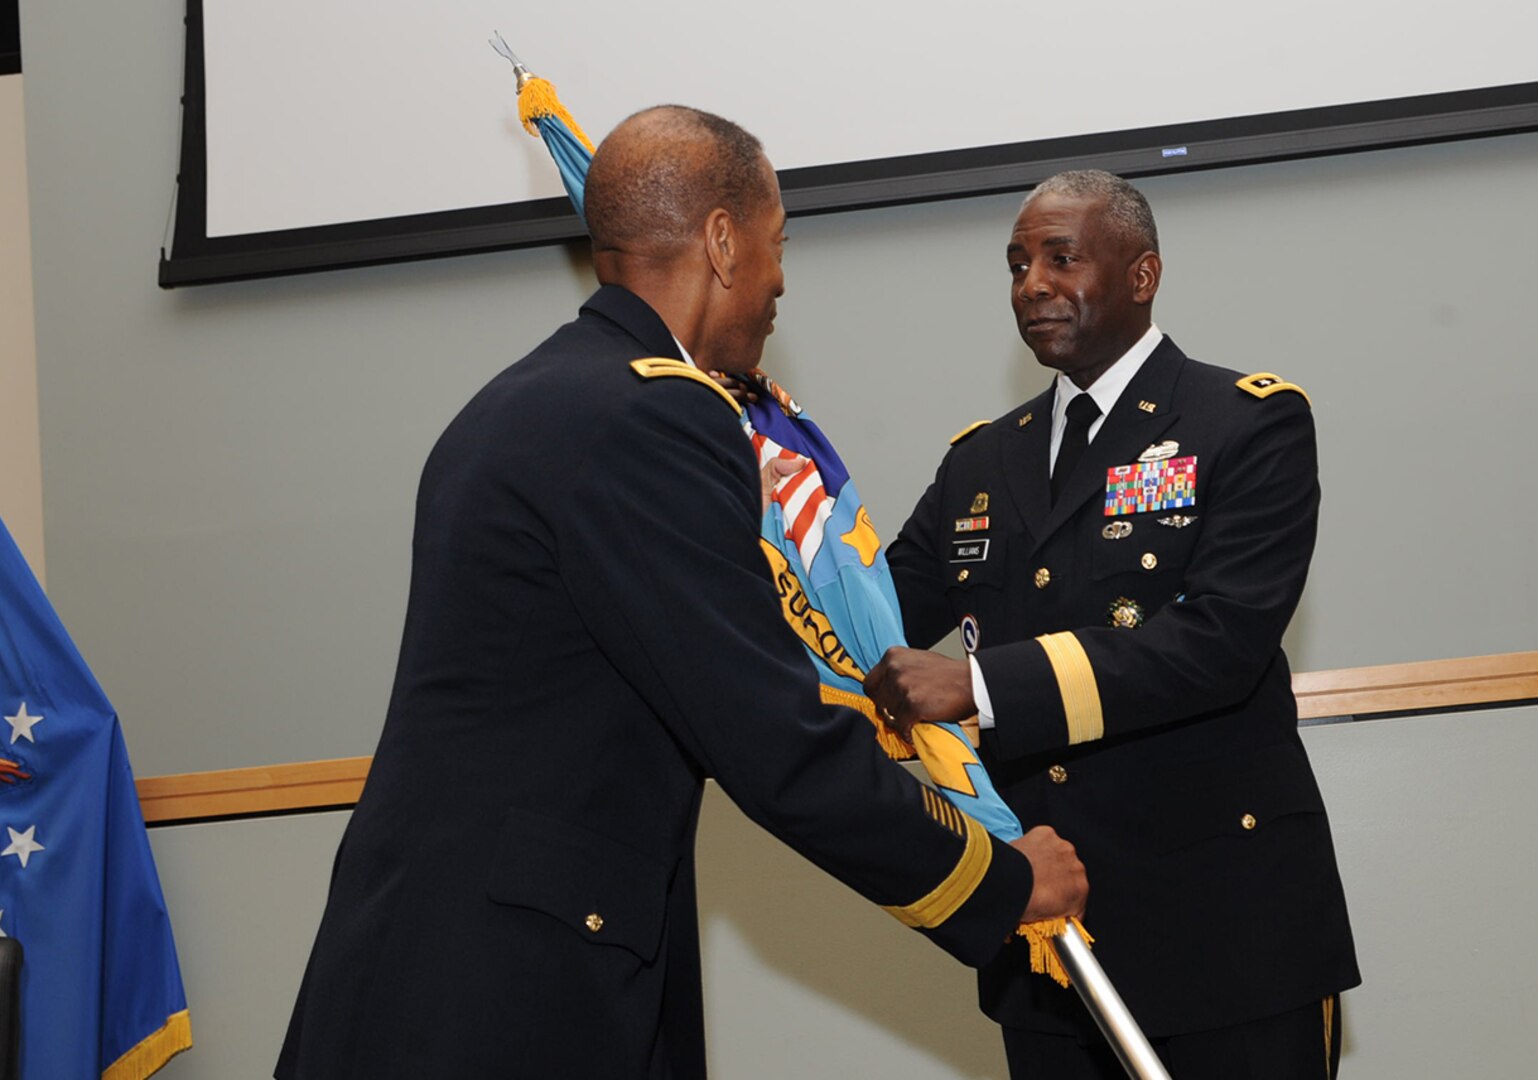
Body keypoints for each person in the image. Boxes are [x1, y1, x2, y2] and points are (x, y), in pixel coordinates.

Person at [274, 107, 1087, 1080]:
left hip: (432, 966)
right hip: (509, 997)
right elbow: (773, 740)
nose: (782, 280)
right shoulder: (654, 419)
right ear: (720, 241)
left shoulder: (514, 406)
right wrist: (999, 883)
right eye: (777, 244)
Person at [865, 170, 1360, 1079]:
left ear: (1143, 275)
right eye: (1016, 265)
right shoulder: (980, 459)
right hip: (1055, 940)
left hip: (1227, 931)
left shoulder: (1247, 423)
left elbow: (1219, 643)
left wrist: (978, 686)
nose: (1031, 285)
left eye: (1061, 258)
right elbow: (872, 614)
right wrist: (779, 526)